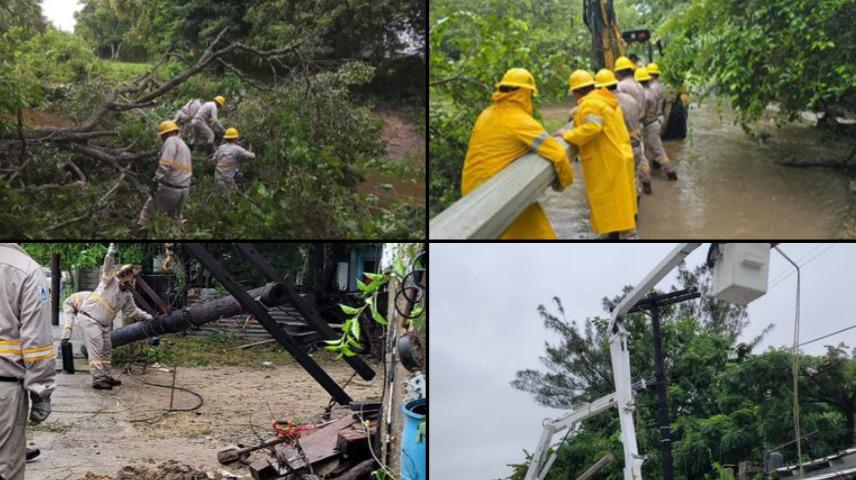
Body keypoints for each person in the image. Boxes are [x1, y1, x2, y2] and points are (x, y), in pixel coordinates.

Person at [462, 68, 574, 239]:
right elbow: (557, 153)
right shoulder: (520, 120)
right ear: (525, 94)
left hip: (473, 194)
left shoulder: (486, 114)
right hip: (500, 197)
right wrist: (562, 183)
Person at [0, 243, 56, 480]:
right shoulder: (25, 269)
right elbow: (37, 343)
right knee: (6, 466)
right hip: (5, 388)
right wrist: (41, 392)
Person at [562, 70, 637, 239]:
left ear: (576, 92)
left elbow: (592, 128)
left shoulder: (590, 105)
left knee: (615, 208)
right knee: (621, 206)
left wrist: (567, 134)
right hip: (618, 157)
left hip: (608, 162)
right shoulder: (604, 101)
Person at [76, 244, 153, 390]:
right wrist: (110, 254)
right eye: (130, 277)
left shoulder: (127, 295)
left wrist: (149, 318)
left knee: (107, 349)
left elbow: (133, 312)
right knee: (97, 348)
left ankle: (106, 376)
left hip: (103, 324)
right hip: (89, 319)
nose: (132, 281)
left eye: (133, 279)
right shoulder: (110, 281)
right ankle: (98, 379)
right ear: (124, 277)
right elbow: (108, 266)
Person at [595, 69, 644, 204]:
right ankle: (636, 210)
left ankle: (630, 212)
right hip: (638, 146)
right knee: (634, 180)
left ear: (602, 88)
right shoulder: (630, 99)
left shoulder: (608, 104)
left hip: (624, 149)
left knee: (622, 185)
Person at [138, 121, 193, 230]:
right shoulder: (183, 145)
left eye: (162, 135)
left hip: (170, 188)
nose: (162, 138)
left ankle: (140, 232)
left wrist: (156, 180)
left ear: (167, 133)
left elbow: (165, 164)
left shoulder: (170, 141)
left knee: (148, 211)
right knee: (176, 217)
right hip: (184, 190)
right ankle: (177, 234)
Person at [636, 67, 678, 181]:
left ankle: (670, 174)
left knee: (657, 152)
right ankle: (663, 173)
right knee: (654, 151)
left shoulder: (645, 94)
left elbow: (642, 114)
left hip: (649, 125)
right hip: (654, 122)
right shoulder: (653, 90)